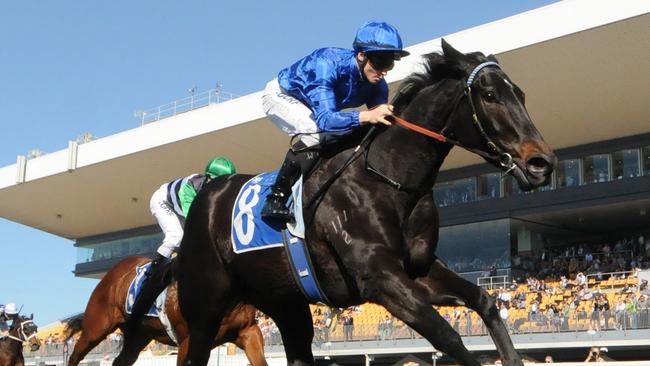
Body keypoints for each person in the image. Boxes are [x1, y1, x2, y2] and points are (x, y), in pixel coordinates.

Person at [260, 20, 409, 222]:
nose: (385, 71)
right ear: (361, 55)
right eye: (381, 62)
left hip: (316, 106)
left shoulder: (378, 85)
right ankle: (276, 198)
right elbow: (325, 120)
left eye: (390, 63)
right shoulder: (326, 64)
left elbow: (377, 126)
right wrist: (367, 116)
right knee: (312, 131)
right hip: (282, 94)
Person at [147, 156, 236, 274]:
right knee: (176, 236)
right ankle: (152, 272)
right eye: (217, 182)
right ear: (208, 177)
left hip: (178, 207)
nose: (220, 188)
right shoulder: (190, 187)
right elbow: (194, 218)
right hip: (163, 201)